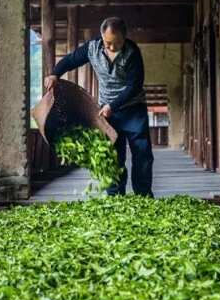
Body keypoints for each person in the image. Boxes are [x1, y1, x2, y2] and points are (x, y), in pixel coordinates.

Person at [44, 17, 154, 197]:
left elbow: (135, 85)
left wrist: (114, 105)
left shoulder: (132, 52)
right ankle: (115, 197)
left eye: (115, 43)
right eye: (107, 42)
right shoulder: (93, 47)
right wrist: (55, 74)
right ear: (102, 36)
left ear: (124, 38)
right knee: (112, 155)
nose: (110, 47)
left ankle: (143, 196)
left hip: (133, 109)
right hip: (107, 112)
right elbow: (71, 60)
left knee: (142, 153)